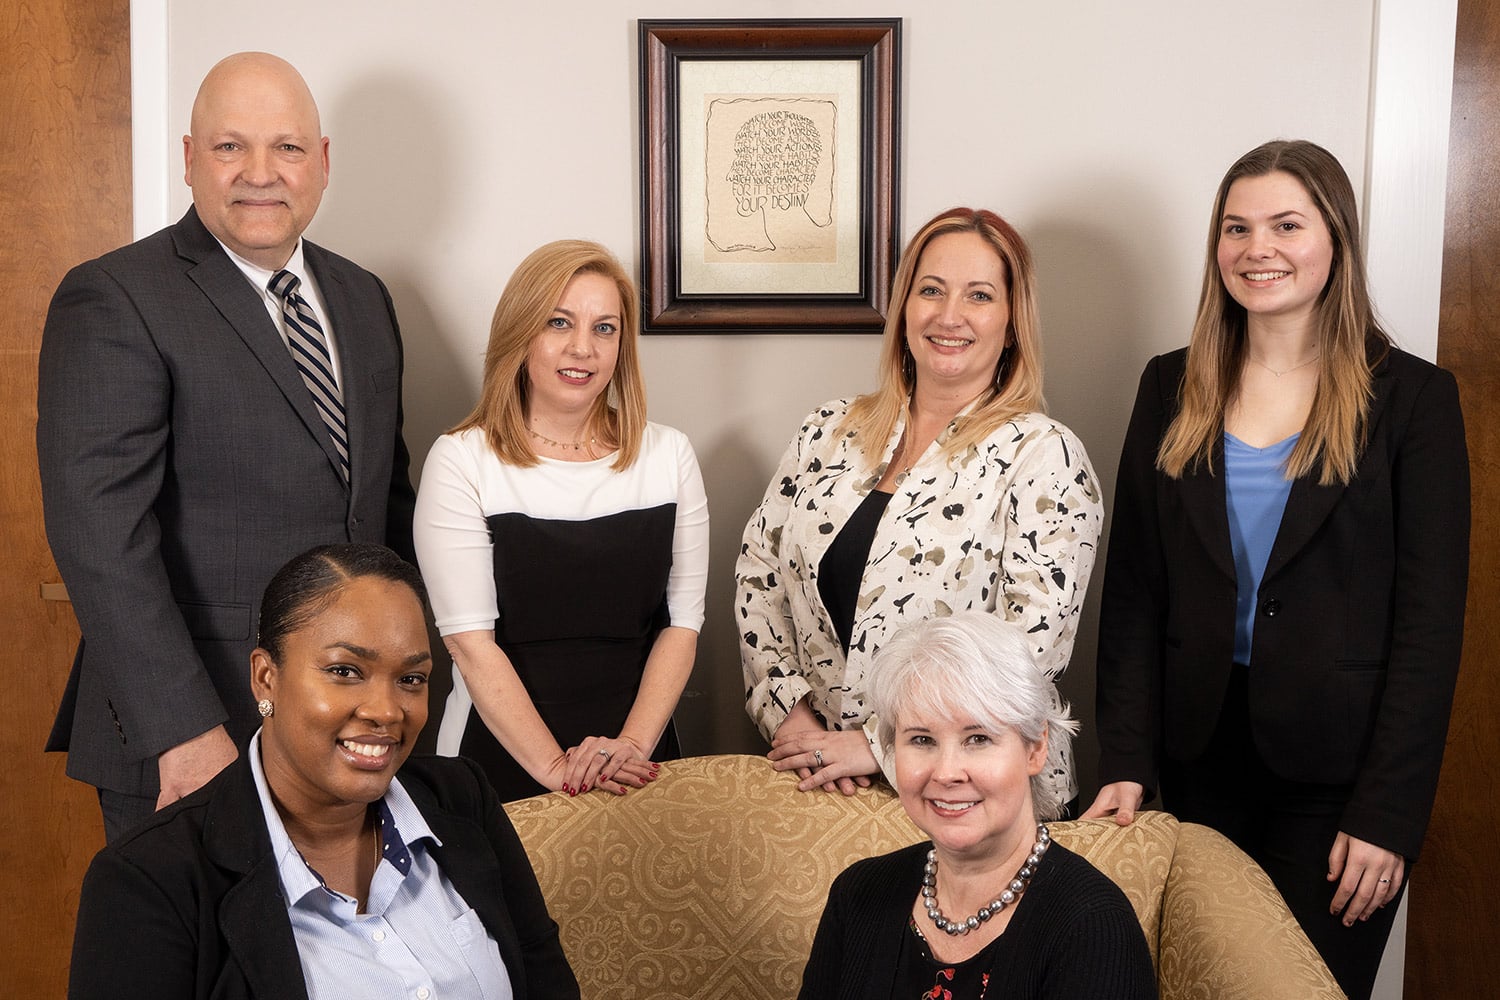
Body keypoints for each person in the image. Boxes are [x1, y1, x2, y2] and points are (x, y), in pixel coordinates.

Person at [1083, 139, 1469, 1000]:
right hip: (1187, 768)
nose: (1258, 249)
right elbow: (1135, 598)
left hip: (1338, 792)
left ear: (1334, 240)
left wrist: (1389, 816)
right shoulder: (1168, 387)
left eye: (1286, 225)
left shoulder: (1413, 401)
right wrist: (1125, 762)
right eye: (1237, 228)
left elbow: (1429, 629)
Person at [37, 52, 415, 842]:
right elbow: (101, 539)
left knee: (325, 963)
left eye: (285, 147)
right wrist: (182, 732)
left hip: (344, 731)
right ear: (187, 160)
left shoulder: (364, 299)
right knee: (196, 965)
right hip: (194, 736)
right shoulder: (116, 296)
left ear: (322, 161)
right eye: (229, 146)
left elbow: (385, 513)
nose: (260, 173)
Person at [67, 543, 579, 999]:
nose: (386, 710)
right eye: (344, 671)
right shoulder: (149, 880)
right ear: (266, 678)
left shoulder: (462, 798)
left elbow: (545, 981)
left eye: (412, 678)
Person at [737, 207, 1103, 801]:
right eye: (930, 290)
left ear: (1012, 323)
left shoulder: (1044, 456)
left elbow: (1027, 655)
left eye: (979, 296)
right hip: (819, 779)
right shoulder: (828, 430)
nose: (948, 315)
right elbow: (760, 577)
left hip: (971, 798)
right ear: (905, 307)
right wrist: (791, 719)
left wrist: (882, 747)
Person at [414, 239, 709, 801]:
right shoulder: (462, 460)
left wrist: (632, 746)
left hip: (640, 759)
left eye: (605, 329)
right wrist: (555, 768)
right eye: (559, 323)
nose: (583, 349)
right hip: (497, 756)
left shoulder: (668, 455)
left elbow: (682, 627)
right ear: (520, 333)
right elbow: (472, 646)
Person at [798, 612, 1155, 999]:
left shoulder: (1095, 928)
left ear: (1036, 749)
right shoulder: (858, 894)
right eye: (921, 740)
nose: (947, 772)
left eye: (978, 738)